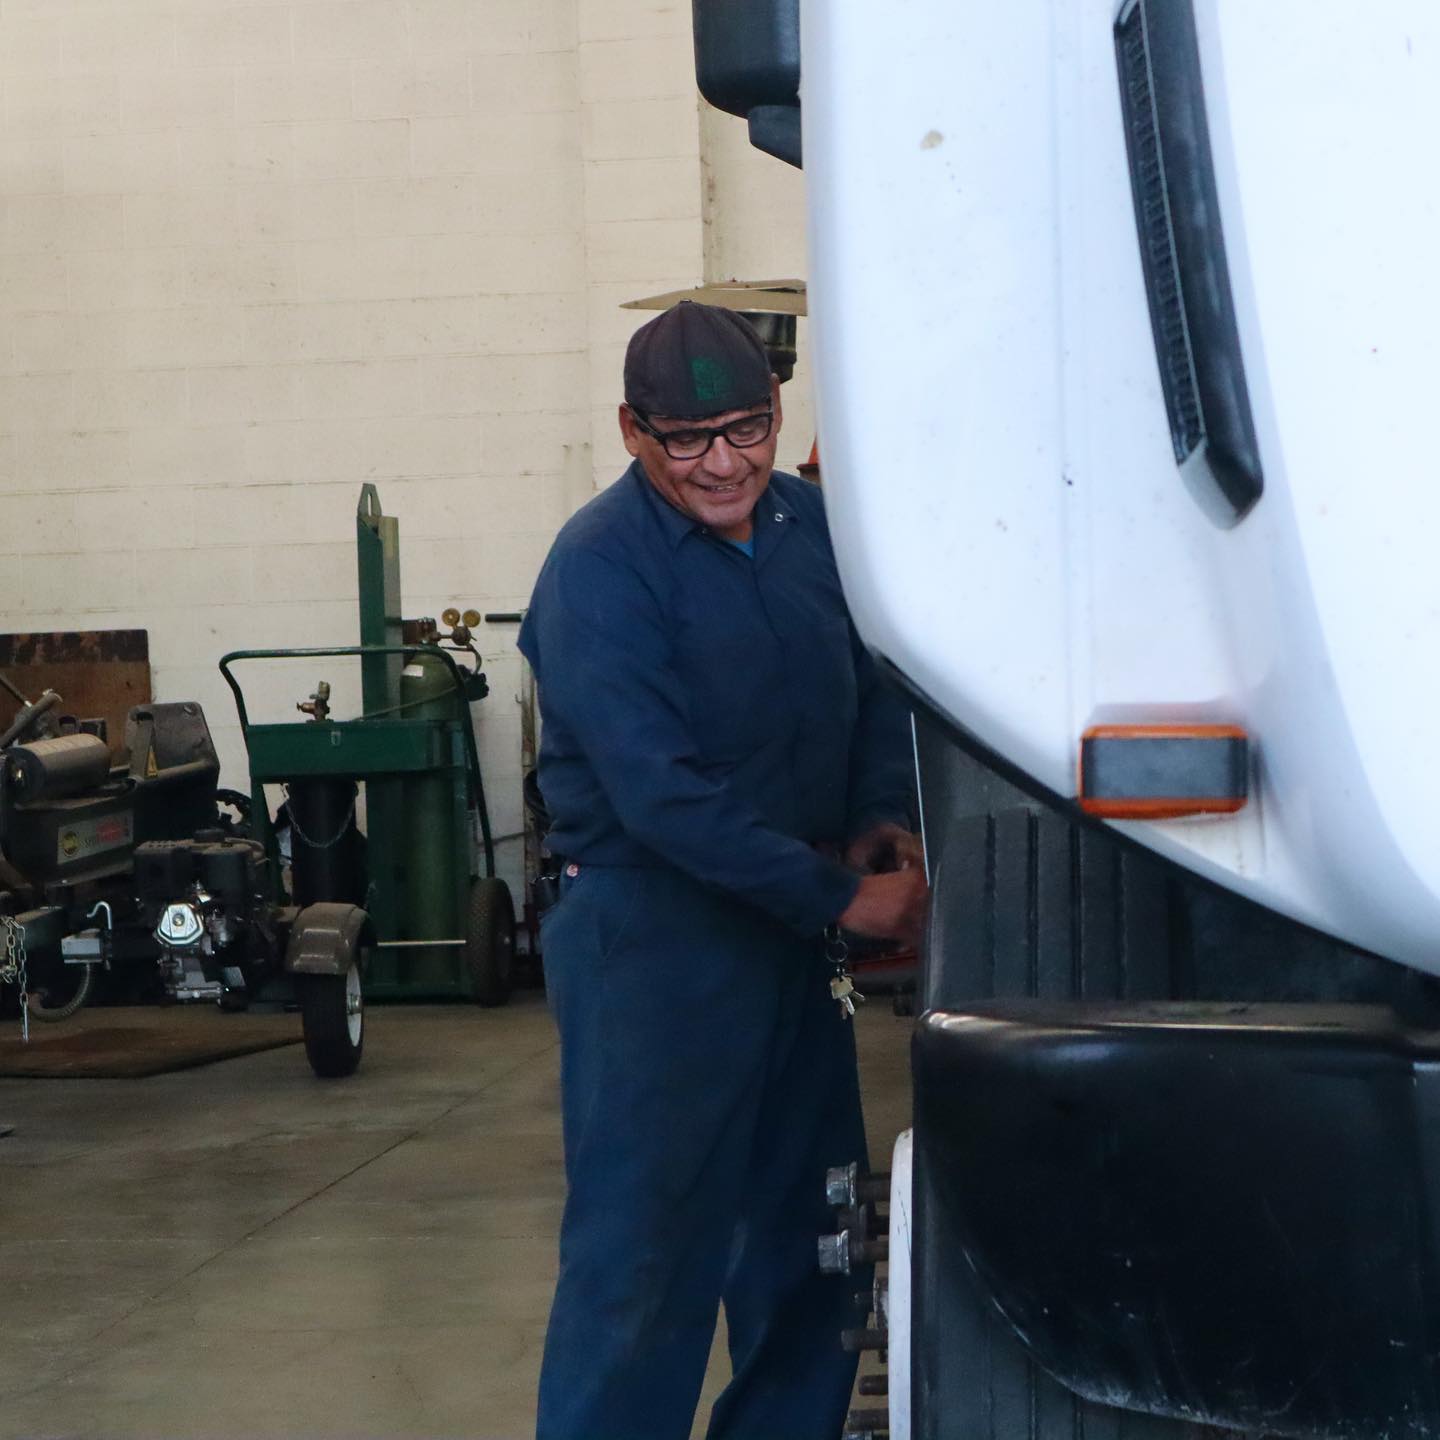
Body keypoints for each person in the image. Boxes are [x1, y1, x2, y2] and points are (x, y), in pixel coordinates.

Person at [519, 301, 928, 1440]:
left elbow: (879, 684)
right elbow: (659, 795)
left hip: (789, 933)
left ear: (777, 413)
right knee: (647, 1252)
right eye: (687, 439)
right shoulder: (599, 569)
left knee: (813, 1237)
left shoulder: (814, 527)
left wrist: (879, 817)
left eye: (746, 430)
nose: (723, 464)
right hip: (654, 938)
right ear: (633, 431)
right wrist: (846, 897)